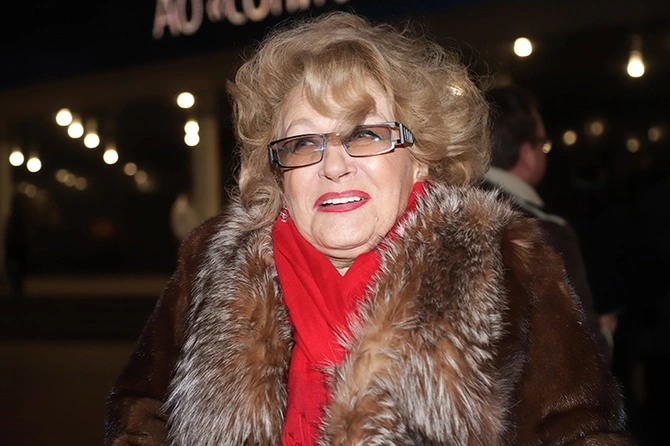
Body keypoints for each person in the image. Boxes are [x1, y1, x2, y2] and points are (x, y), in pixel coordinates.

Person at [104, 12, 633, 445]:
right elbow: (141, 418)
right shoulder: (211, 266)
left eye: (365, 135)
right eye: (303, 143)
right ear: (278, 169)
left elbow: (581, 434)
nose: (333, 165)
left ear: (420, 156)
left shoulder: (510, 268)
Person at [482, 85, 616, 364]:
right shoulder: (547, 232)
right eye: (542, 144)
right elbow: (586, 352)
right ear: (526, 154)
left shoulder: (444, 211)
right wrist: (605, 333)